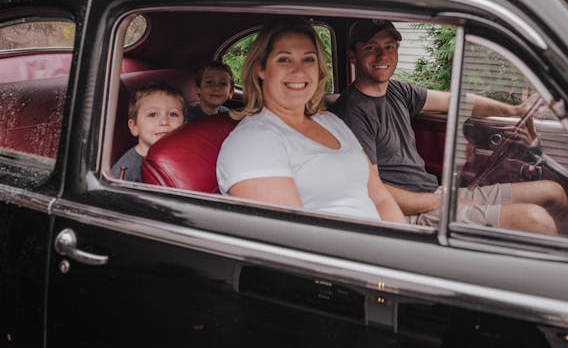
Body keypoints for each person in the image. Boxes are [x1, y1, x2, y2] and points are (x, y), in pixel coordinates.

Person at [333, 18, 568, 235]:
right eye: (371, 48)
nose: (383, 56)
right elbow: (375, 192)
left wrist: (514, 111)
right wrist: (444, 200)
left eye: (389, 46)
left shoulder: (397, 91)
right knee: (535, 220)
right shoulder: (352, 112)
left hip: (435, 195)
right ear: (352, 56)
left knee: (553, 192)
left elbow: (455, 101)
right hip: (411, 213)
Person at [216, 16, 405, 223]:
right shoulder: (252, 142)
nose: (299, 71)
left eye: (308, 59)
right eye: (284, 59)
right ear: (261, 68)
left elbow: (380, 198)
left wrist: (407, 246)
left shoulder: (331, 122)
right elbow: (293, 236)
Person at [112, 82, 186, 182]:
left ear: (185, 124)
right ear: (134, 127)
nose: (164, 121)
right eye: (153, 114)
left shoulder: (187, 155)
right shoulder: (125, 172)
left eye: (173, 114)